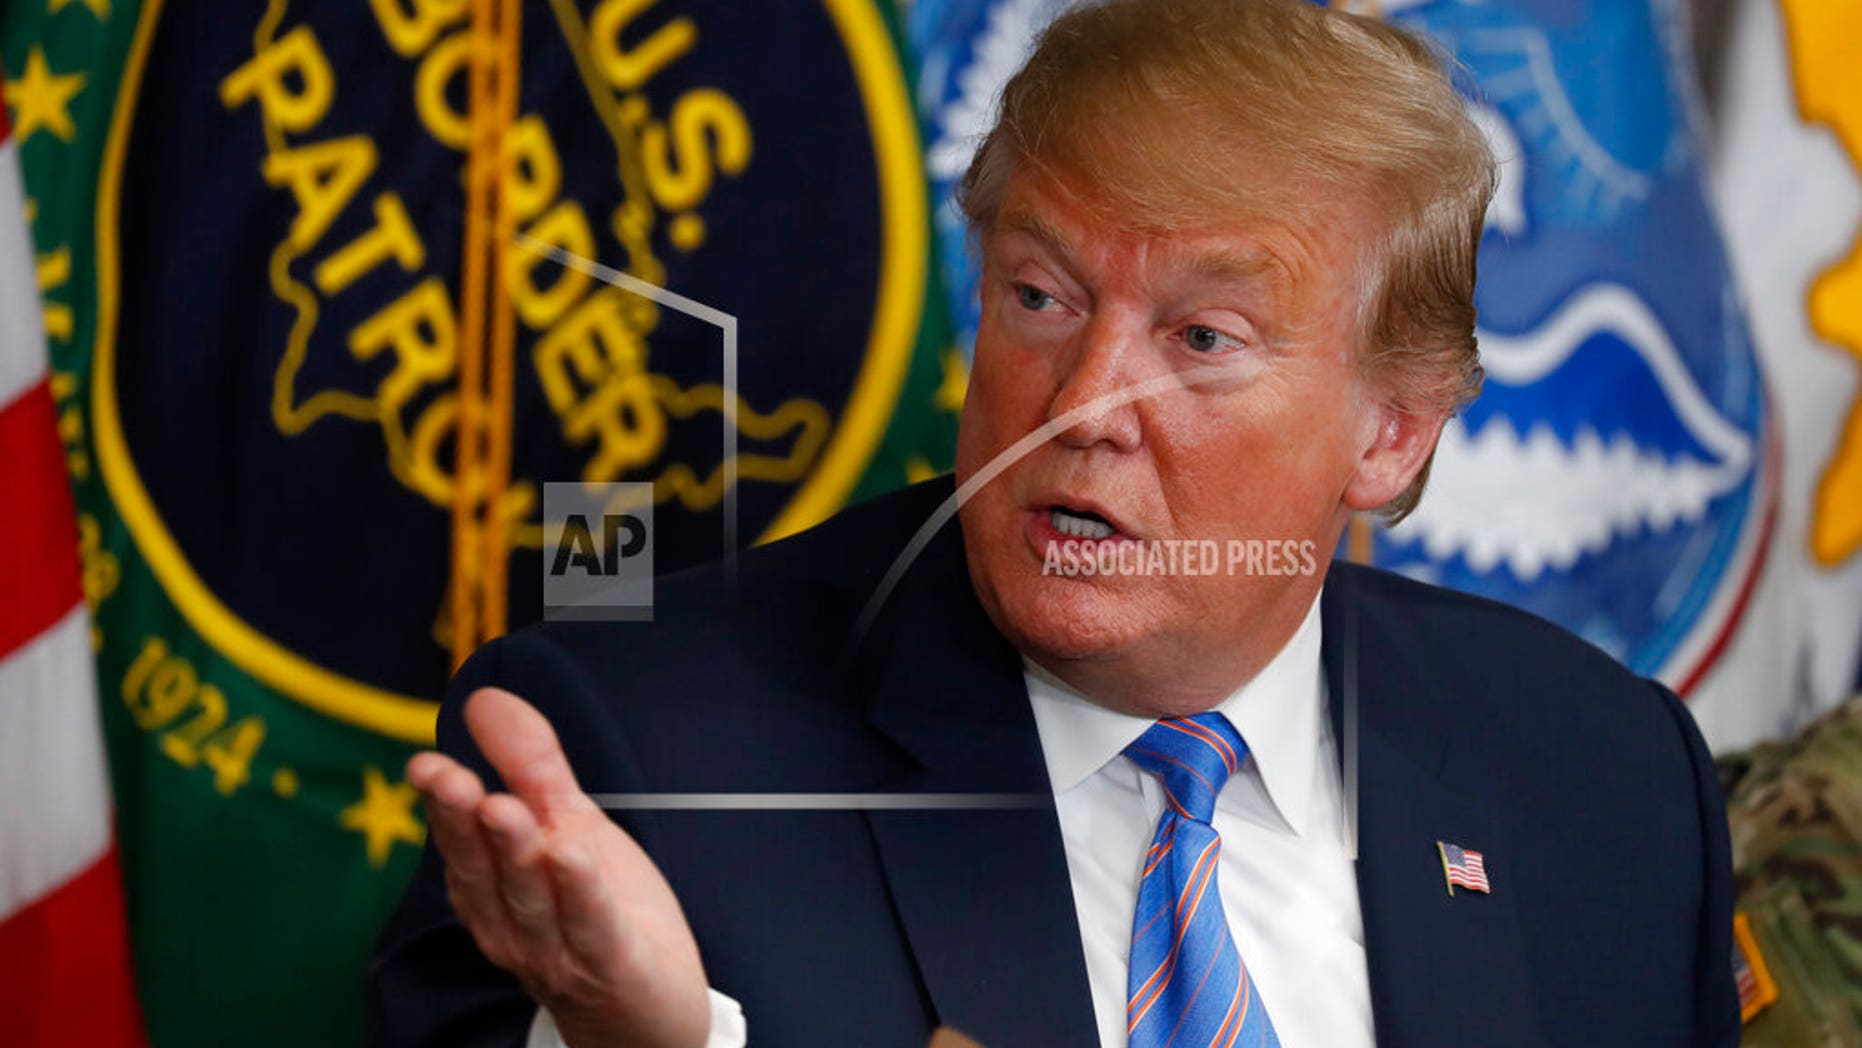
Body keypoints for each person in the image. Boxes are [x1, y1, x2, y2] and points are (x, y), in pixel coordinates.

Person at [366, 0, 1740, 1045]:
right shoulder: (641, 759)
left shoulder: (1604, 780)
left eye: (1201, 336)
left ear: (1388, 433)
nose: (1079, 405)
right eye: (1040, 297)